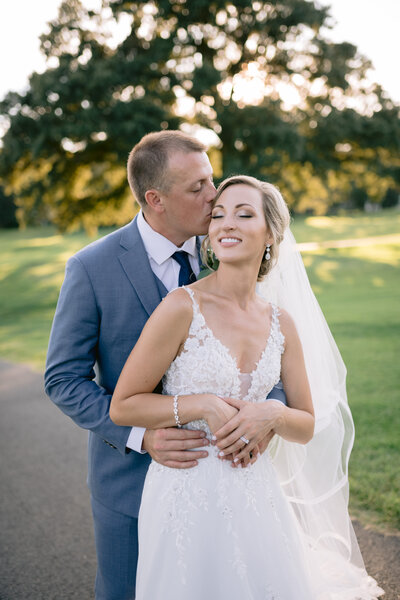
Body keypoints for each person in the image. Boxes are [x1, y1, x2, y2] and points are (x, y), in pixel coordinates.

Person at [110, 175, 384, 599]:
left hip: (257, 496)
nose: (225, 224)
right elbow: (123, 406)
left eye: (243, 213)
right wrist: (202, 405)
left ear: (271, 233)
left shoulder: (281, 323)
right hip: (185, 496)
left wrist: (271, 414)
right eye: (218, 215)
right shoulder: (182, 306)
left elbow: (305, 424)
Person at [44, 131, 285, 599]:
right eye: (197, 187)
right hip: (129, 486)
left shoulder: (228, 248)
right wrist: (141, 436)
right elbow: (62, 379)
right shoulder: (91, 268)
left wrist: (266, 415)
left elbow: (269, 349)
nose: (214, 196)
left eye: (211, 180)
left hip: (231, 480)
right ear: (156, 199)